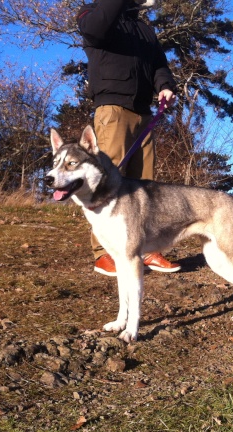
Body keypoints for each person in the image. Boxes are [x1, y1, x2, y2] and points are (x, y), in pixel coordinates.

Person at [76, 0, 180, 277]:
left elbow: (158, 64)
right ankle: (104, 253)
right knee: (107, 180)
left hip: (144, 111)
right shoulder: (93, 13)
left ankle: (145, 249)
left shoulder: (144, 29)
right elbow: (95, 31)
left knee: (144, 186)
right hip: (112, 108)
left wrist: (165, 86)